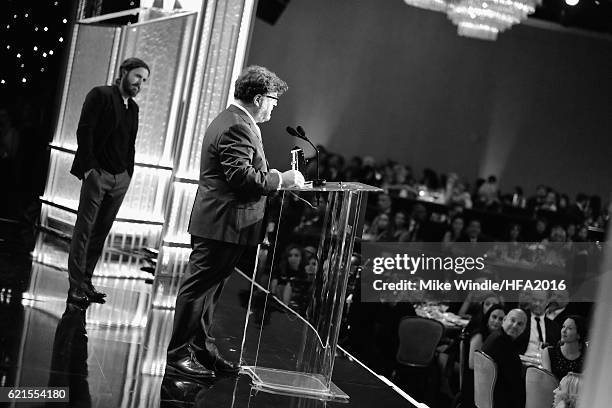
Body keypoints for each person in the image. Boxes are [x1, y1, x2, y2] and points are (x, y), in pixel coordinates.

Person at [166, 66, 304, 379]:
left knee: (209, 292)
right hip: (222, 224)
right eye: (272, 100)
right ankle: (177, 354)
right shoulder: (237, 126)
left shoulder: (239, 121)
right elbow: (241, 177)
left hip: (227, 225)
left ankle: (200, 350)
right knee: (198, 289)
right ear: (258, 97)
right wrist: (281, 179)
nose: (274, 106)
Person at [67, 58, 150, 304]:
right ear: (124, 72)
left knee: (100, 232)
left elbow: (130, 144)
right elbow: (85, 130)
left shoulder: (133, 108)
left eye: (144, 80)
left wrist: (129, 173)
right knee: (84, 230)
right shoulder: (100, 94)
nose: (140, 83)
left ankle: (86, 282)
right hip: (98, 174)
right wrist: (90, 169)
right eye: (137, 76)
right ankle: (75, 287)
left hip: (120, 178)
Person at [481, 308, 528, 408]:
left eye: (520, 324)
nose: (515, 326)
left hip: (487, 395)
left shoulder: (497, 336)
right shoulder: (501, 343)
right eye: (512, 320)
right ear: (504, 320)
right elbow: (514, 380)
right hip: (499, 399)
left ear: (524, 328)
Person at [541, 316, 587, 380]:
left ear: (579, 335)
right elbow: (548, 381)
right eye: (563, 327)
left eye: (569, 328)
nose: (564, 331)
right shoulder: (549, 352)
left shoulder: (587, 357)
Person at [516, 290, 560, 355]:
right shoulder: (520, 318)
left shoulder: (554, 327)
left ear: (547, 302)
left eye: (541, 301)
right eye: (534, 300)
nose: (537, 304)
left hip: (544, 362)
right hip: (522, 360)